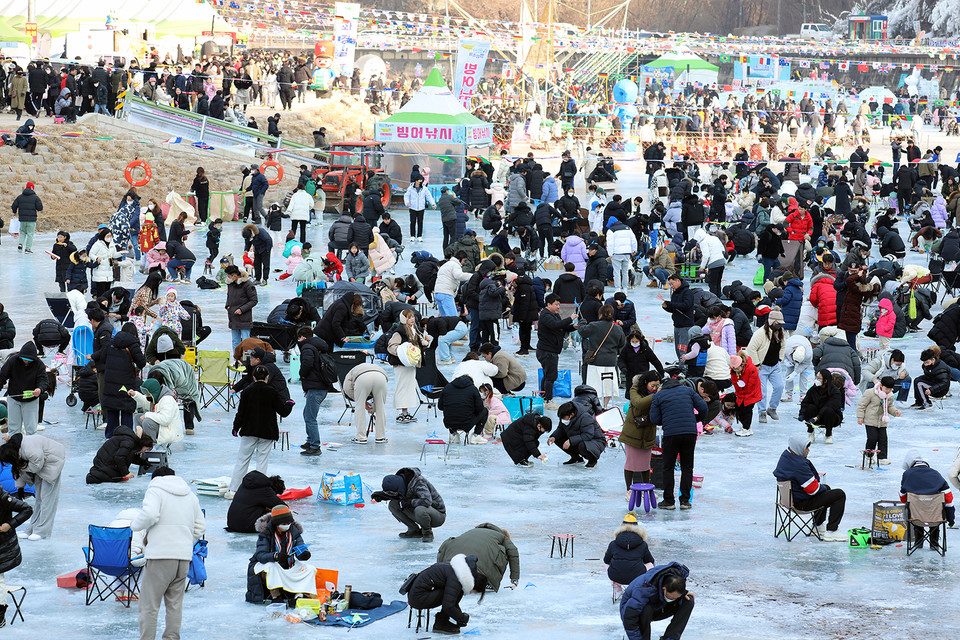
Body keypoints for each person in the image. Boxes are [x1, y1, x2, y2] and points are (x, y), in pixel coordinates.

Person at [131, 467, 206, 640]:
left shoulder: (155, 490)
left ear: (155, 479)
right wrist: (184, 540)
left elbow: (149, 514)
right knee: (174, 605)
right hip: (183, 558)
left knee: (149, 605)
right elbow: (200, 527)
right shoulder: (190, 495)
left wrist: (134, 526)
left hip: (160, 557)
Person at [227, 365, 294, 497]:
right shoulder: (272, 391)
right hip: (267, 431)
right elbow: (283, 412)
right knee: (262, 462)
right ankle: (259, 491)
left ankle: (233, 489)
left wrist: (236, 427)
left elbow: (241, 413)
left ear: (253, 377)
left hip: (249, 430)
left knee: (242, 460)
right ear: (267, 377)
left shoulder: (246, 391)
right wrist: (289, 404)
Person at [773, 435, 847, 541]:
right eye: (806, 448)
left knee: (827, 488)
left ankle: (818, 526)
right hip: (801, 504)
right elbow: (813, 490)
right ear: (798, 448)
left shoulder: (786, 456)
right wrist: (821, 487)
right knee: (839, 494)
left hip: (789, 499)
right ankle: (832, 531)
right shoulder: (799, 464)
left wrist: (823, 488)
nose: (808, 451)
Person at [650, 374, 708, 509]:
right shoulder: (688, 391)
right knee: (687, 467)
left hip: (671, 434)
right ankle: (685, 501)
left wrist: (665, 421)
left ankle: (669, 501)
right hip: (689, 433)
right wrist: (696, 419)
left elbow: (654, 419)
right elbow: (704, 408)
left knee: (668, 467)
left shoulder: (659, 396)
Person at [246, 504, 316, 604]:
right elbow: (260, 555)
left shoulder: (294, 531)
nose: (287, 525)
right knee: (272, 567)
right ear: (277, 523)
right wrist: (275, 556)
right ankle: (276, 596)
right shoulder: (265, 533)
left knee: (309, 569)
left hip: (287, 565)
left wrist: (304, 555)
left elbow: (300, 547)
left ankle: (298, 595)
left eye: (289, 522)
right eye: (284, 523)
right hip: (269, 564)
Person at [404, 554, 487, 635]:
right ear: (474, 585)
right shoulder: (456, 578)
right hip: (418, 598)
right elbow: (448, 605)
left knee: (453, 593)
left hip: (417, 594)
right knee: (456, 593)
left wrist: (460, 617)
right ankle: (441, 624)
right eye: (475, 591)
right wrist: (461, 618)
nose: (472, 593)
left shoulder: (456, 570)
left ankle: (442, 621)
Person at [93, 324, 146, 439]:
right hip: (127, 382)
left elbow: (102, 358)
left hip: (111, 381)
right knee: (126, 409)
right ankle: (127, 437)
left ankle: (111, 437)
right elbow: (141, 363)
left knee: (112, 408)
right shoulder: (133, 343)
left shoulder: (111, 342)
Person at [620, 562, 695, 640]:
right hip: (631, 612)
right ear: (664, 588)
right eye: (672, 597)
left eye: (676, 597)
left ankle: (670, 638)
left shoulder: (677, 579)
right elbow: (629, 618)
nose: (673, 600)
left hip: (659, 605)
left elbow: (678, 592)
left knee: (688, 601)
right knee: (646, 609)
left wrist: (682, 594)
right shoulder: (645, 588)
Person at [437, 523, 519, 592]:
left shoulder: (471, 532)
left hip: (452, 564)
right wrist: (514, 579)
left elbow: (444, 547)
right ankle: (488, 582)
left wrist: (440, 568)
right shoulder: (502, 537)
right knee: (504, 549)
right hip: (478, 570)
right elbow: (513, 552)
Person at [372, 467, 446, 543]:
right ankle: (414, 530)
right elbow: (399, 495)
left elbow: (427, 501)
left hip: (437, 515)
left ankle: (427, 533)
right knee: (393, 505)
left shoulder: (418, 482)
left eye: (391, 493)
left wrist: (409, 502)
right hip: (420, 514)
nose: (391, 494)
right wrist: (383, 496)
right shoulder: (402, 483)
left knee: (420, 509)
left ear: (398, 487)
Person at [900, 452, 956, 550]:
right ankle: (934, 544)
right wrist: (951, 518)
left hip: (915, 518)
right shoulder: (936, 474)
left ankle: (918, 543)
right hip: (935, 518)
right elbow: (949, 499)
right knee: (934, 511)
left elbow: (903, 497)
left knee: (915, 509)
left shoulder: (907, 474)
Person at [621, 371, 661, 498]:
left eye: (657, 386)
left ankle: (647, 489)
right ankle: (629, 490)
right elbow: (639, 403)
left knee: (645, 464)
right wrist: (656, 395)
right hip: (633, 432)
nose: (654, 388)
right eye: (653, 385)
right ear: (645, 382)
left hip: (648, 431)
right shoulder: (635, 389)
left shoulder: (656, 393)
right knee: (631, 463)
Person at [579, 304, 627, 407]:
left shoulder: (594, 325)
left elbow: (582, 331)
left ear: (600, 314)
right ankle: (605, 406)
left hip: (595, 361)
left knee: (593, 386)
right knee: (608, 387)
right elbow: (622, 343)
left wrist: (582, 323)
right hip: (610, 361)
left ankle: (596, 406)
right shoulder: (617, 328)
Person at [387, 309, 430, 424]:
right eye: (409, 317)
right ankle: (402, 413)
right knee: (403, 386)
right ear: (403, 319)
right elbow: (391, 347)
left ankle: (405, 412)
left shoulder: (414, 329)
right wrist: (403, 353)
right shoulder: (399, 332)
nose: (412, 319)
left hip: (410, 364)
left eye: (412, 317)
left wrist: (424, 343)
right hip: (402, 364)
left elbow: (418, 342)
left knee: (409, 387)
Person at [537, 293, 578, 411]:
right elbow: (555, 325)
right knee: (551, 376)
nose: (558, 307)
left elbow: (561, 327)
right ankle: (548, 400)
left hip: (551, 350)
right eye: (556, 304)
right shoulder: (545, 315)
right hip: (547, 351)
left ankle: (544, 397)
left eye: (559, 304)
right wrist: (570, 318)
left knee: (548, 375)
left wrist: (572, 327)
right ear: (549, 304)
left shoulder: (554, 314)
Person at [746, 310, 786, 424]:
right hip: (762, 366)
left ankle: (772, 408)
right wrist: (757, 363)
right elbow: (751, 348)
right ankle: (762, 412)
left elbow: (783, 346)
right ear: (773, 322)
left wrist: (780, 359)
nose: (780, 325)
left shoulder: (780, 331)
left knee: (779, 386)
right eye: (779, 323)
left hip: (775, 365)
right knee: (762, 391)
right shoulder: (760, 333)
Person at [0, 342, 47, 436]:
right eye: (25, 359)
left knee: (31, 428)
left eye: (29, 360)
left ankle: (30, 447)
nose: (26, 362)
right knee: (13, 427)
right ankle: (13, 447)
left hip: (31, 399)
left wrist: (40, 389)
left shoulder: (39, 364)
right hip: (14, 397)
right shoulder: (12, 361)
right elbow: (2, 376)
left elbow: (43, 380)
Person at [0, 484, 32, 625]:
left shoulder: (2, 497)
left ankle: (0, 614)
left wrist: (10, 524)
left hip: (3, 547)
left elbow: (27, 509)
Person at [605, 513, 655, 599]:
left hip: (616, 576)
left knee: (606, 564)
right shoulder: (643, 544)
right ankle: (641, 588)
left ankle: (617, 589)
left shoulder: (613, 544)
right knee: (650, 564)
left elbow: (606, 560)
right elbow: (649, 560)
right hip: (637, 577)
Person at [857, 376, 901, 466]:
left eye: (890, 389)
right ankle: (868, 455)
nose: (888, 391)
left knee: (883, 439)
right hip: (870, 420)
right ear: (881, 385)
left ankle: (882, 457)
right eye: (886, 388)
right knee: (872, 438)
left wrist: (895, 411)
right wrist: (860, 417)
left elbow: (890, 406)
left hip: (882, 421)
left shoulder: (890, 396)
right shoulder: (870, 393)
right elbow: (862, 405)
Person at [548, 401, 606, 468]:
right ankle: (576, 458)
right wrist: (554, 436)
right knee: (558, 438)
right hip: (579, 437)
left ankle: (592, 460)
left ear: (572, 414)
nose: (562, 420)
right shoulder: (565, 416)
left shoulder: (585, 417)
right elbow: (561, 428)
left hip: (596, 441)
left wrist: (570, 441)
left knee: (582, 445)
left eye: (564, 418)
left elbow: (588, 435)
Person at [343, 361, 389, 444]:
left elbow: (346, 389)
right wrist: (373, 408)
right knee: (380, 407)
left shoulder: (350, 373)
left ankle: (361, 437)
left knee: (359, 407)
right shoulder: (373, 366)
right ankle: (381, 437)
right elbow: (381, 399)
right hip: (381, 377)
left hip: (362, 378)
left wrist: (361, 401)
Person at [85, 428, 153, 484]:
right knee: (112, 477)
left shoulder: (129, 440)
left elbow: (128, 456)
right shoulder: (129, 442)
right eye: (146, 449)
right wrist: (126, 473)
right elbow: (119, 458)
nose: (144, 451)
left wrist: (143, 462)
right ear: (143, 445)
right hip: (105, 465)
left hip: (103, 463)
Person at [438, 375, 490, 445]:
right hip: (467, 422)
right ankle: (476, 435)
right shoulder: (473, 389)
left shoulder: (447, 388)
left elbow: (440, 407)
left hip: (449, 422)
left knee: (450, 411)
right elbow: (479, 408)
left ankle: (454, 434)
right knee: (485, 411)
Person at [224, 265, 258, 352]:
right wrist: (227, 305)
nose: (228, 278)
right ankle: (236, 360)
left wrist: (241, 309)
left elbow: (254, 300)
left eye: (229, 276)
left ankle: (247, 360)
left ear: (234, 275)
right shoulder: (231, 284)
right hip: (233, 317)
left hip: (244, 318)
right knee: (235, 341)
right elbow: (229, 296)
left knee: (246, 341)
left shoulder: (248, 285)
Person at [662, 273, 695, 359]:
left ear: (678, 281)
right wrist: (667, 307)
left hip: (686, 325)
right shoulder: (675, 293)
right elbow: (675, 309)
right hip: (677, 324)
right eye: (670, 284)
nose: (671, 286)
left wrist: (672, 304)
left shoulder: (687, 292)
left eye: (672, 284)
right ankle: (681, 366)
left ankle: (684, 367)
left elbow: (686, 305)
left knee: (683, 349)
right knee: (677, 349)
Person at [11, 181, 42, 254]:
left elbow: (13, 205)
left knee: (23, 233)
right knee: (30, 234)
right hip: (31, 220)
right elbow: (40, 208)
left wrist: (15, 212)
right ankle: (27, 249)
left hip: (22, 219)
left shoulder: (20, 197)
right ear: (32, 189)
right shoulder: (35, 197)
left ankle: (20, 244)